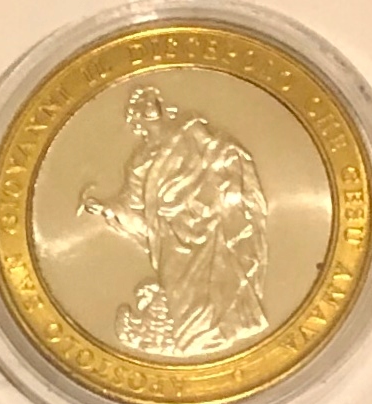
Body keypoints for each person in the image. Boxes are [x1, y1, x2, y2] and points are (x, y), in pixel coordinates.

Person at [79, 86, 269, 356]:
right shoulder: (139, 161)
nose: (148, 105)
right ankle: (194, 342)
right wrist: (107, 209)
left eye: (151, 99)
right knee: (185, 296)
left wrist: (227, 187)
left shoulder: (190, 129)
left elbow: (221, 151)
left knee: (222, 279)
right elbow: (132, 203)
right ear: (136, 119)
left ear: (161, 106)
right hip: (172, 237)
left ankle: (223, 334)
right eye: (140, 104)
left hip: (209, 222)